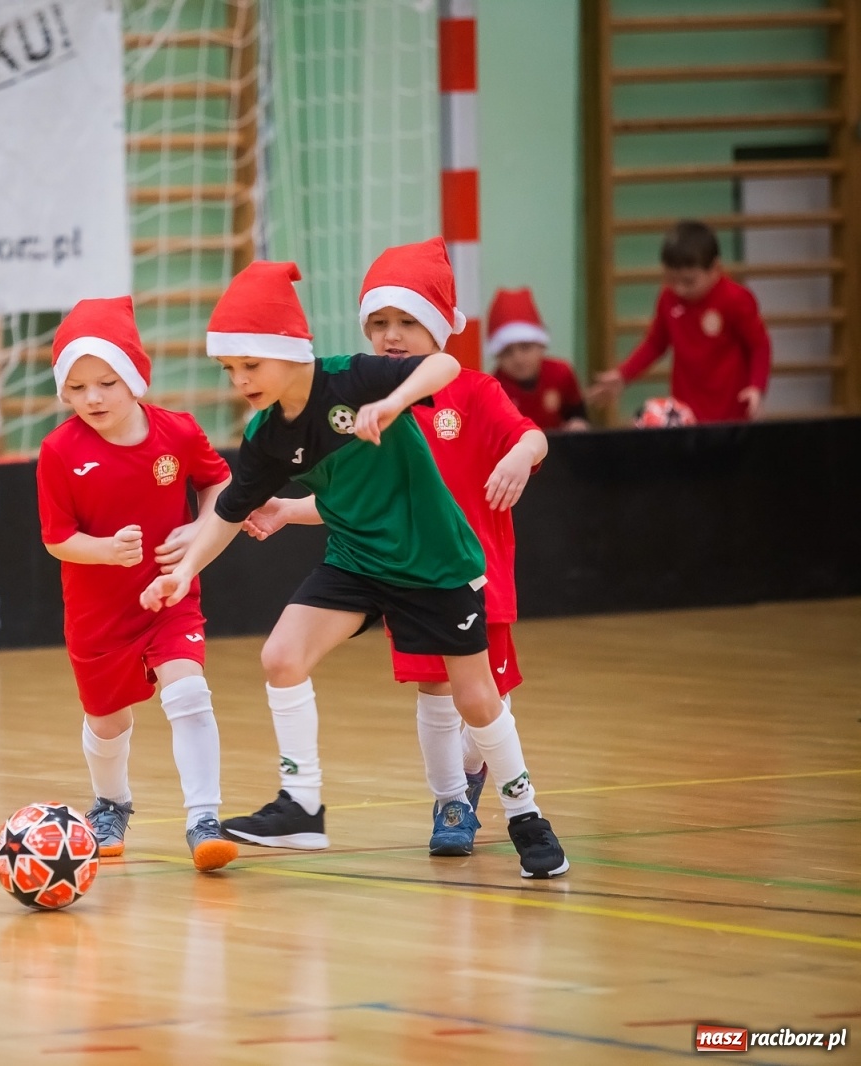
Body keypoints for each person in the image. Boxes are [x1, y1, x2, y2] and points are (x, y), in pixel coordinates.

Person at [139, 258, 569, 879]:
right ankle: (300, 805)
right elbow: (229, 511)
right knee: (281, 656)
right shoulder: (266, 434)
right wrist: (183, 573)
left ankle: (526, 814)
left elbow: (444, 365)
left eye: (249, 365)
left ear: (289, 351)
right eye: (228, 368)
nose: (238, 380)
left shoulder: (352, 379)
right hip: (356, 560)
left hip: (435, 562)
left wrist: (394, 401)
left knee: (477, 698)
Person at [245, 240, 552, 861]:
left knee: (484, 699)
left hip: (474, 572)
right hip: (406, 575)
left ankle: (482, 779)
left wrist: (520, 455)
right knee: (437, 692)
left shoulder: (473, 391)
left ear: (438, 327)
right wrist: (286, 511)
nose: (391, 336)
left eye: (407, 321)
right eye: (378, 323)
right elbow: (353, 503)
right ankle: (450, 805)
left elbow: (533, 436)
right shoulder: (353, 404)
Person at [36, 296, 237, 871]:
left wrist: (199, 530)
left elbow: (219, 487)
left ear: (135, 377)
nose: (92, 398)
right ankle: (111, 803)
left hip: (170, 597)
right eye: (76, 388)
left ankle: (204, 818)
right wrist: (102, 551)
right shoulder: (58, 452)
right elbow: (56, 538)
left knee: (187, 691)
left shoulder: (178, 433)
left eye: (105, 382)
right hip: (98, 612)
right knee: (108, 719)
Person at [589, 221, 771, 423]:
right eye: (671, 279)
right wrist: (624, 374)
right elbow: (655, 343)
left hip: (731, 410)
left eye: (689, 281)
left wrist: (756, 387)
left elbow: (759, 345)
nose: (679, 289)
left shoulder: (735, 299)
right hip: (686, 410)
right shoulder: (668, 298)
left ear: (715, 269)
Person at [487, 287, 589, 431]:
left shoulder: (562, 374)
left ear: (541, 346)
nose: (518, 359)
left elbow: (579, 416)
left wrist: (578, 425)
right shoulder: (493, 389)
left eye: (525, 347)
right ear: (497, 357)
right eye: (507, 352)